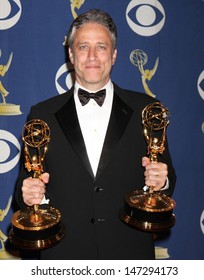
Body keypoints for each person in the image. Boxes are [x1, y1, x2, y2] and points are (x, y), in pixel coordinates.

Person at [14, 9, 176, 260]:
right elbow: (23, 186)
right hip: (64, 254)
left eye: (101, 47)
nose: (92, 56)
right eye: (82, 47)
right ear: (70, 54)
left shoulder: (146, 108)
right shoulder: (42, 113)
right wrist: (28, 194)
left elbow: (169, 178)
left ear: (114, 55)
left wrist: (161, 181)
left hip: (128, 253)